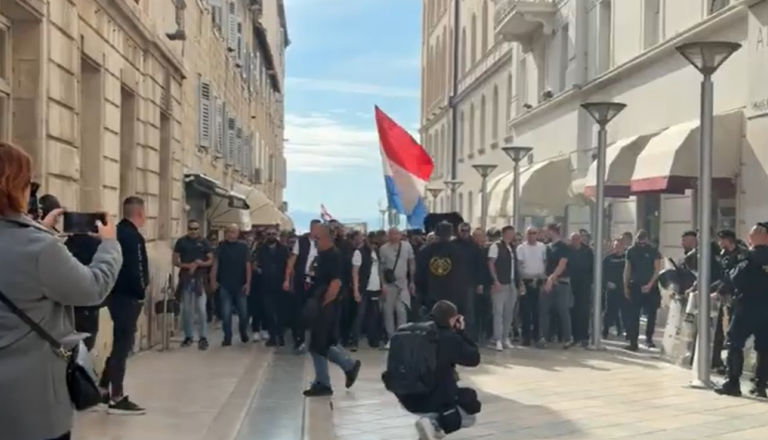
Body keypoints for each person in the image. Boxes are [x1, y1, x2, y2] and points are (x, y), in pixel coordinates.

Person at [0, 141, 123, 440]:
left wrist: (38, 228)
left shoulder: (36, 243)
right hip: (30, 406)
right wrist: (109, 244)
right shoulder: (39, 248)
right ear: (16, 187)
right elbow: (92, 288)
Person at [386, 300, 481, 440]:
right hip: (431, 396)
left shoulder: (409, 331)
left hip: (405, 396)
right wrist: (461, 332)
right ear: (452, 319)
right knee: (469, 410)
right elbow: (474, 358)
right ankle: (433, 423)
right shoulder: (448, 337)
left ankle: (431, 430)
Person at [99, 196, 149, 415]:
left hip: (114, 295)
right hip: (128, 297)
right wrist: (141, 292)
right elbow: (138, 268)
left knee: (119, 342)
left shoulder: (116, 233)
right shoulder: (134, 237)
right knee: (123, 346)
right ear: (139, 214)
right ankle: (116, 396)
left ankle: (103, 388)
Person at [303, 225, 361, 397]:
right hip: (322, 303)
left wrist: (324, 304)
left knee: (317, 344)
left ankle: (324, 382)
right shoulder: (323, 255)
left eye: (317, 239)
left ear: (326, 239)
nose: (315, 242)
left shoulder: (334, 256)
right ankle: (348, 366)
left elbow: (336, 283)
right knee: (324, 343)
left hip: (327, 306)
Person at [715, 222, 768, 398]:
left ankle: (732, 383)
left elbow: (735, 278)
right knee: (764, 347)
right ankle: (760, 385)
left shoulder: (748, 257)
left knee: (734, 342)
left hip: (747, 306)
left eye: (751, 234)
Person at [173, 219, 214, 349]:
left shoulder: (204, 242)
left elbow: (211, 260)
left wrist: (200, 263)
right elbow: (175, 260)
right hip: (186, 278)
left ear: (199, 230)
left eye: (196, 228)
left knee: (201, 309)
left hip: (200, 279)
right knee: (187, 309)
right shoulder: (181, 242)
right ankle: (188, 336)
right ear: (188, 229)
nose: (193, 231)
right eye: (191, 228)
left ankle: (203, 337)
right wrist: (188, 265)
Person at [210, 224, 252, 346]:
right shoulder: (221, 246)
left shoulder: (243, 247)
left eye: (233, 231)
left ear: (238, 233)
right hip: (225, 285)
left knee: (243, 313)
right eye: (228, 231)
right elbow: (216, 263)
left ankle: (243, 332)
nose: (230, 234)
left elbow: (248, 266)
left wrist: (248, 283)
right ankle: (227, 337)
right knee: (226, 313)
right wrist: (213, 280)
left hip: (240, 285)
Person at [283, 219, 321, 351]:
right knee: (298, 309)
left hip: (316, 280)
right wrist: (287, 279)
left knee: (314, 310)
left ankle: (315, 339)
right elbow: (291, 261)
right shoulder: (301, 242)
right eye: (315, 228)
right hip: (301, 279)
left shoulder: (322, 243)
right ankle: (299, 338)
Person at [622, 229, 662, 351]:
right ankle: (633, 342)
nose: (641, 242)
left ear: (647, 239)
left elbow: (657, 269)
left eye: (643, 239)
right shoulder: (631, 251)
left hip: (651, 286)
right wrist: (625, 286)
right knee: (633, 314)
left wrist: (650, 284)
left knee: (651, 314)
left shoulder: (653, 251)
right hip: (635, 285)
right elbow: (627, 269)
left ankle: (649, 339)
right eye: (639, 239)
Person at [487, 225, 523, 351]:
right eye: (510, 233)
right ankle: (497, 339)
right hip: (501, 282)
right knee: (498, 311)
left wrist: (519, 282)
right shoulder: (496, 246)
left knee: (509, 312)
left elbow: (516, 266)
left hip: (511, 282)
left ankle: (505, 337)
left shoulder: (512, 247)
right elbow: (491, 263)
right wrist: (495, 280)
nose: (512, 235)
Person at [379, 227, 416, 348]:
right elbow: (381, 268)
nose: (394, 236)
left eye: (396, 234)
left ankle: (401, 337)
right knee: (388, 311)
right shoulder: (383, 249)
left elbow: (411, 263)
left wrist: (412, 281)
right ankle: (391, 337)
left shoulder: (407, 246)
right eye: (391, 234)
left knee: (401, 310)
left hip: (403, 283)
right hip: (389, 284)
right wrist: (383, 284)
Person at [538, 223, 573, 349]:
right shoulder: (547, 247)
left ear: (552, 231)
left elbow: (562, 264)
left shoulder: (564, 246)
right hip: (547, 281)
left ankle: (567, 338)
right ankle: (543, 337)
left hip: (561, 281)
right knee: (544, 309)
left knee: (563, 310)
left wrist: (552, 278)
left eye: (546, 231)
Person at [253, 228, 290, 346]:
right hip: (265, 284)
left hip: (280, 284)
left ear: (277, 235)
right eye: (269, 234)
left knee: (281, 312)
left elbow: (289, 265)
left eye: (273, 234)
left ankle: (281, 336)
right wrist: (260, 271)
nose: (271, 236)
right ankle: (273, 337)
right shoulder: (261, 249)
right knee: (269, 312)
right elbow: (254, 263)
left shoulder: (283, 249)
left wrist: (287, 280)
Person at [350, 231, 383, 350]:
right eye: (372, 242)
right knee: (359, 315)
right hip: (364, 287)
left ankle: (373, 340)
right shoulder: (359, 252)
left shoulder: (376, 253)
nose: (373, 245)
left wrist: (382, 284)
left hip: (375, 287)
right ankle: (354, 341)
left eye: (375, 243)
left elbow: (379, 270)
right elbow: (355, 272)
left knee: (374, 315)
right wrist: (356, 289)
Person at [516, 227, 547, 346]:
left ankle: (537, 335)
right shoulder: (521, 248)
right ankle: (526, 337)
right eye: (529, 233)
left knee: (537, 310)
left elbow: (545, 262)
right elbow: (519, 265)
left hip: (539, 280)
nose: (532, 235)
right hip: (526, 280)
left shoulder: (542, 247)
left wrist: (541, 278)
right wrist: (521, 281)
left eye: (534, 233)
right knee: (525, 310)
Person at [568, 232, 594, 347]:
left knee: (583, 311)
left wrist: (591, 282)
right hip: (571, 284)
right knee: (572, 310)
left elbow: (592, 268)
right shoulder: (568, 250)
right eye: (573, 239)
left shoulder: (588, 251)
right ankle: (574, 336)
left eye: (577, 239)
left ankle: (584, 336)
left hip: (584, 285)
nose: (575, 241)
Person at [602, 238, 627, 339]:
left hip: (623, 288)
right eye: (616, 245)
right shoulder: (608, 259)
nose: (617, 247)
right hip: (611, 288)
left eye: (620, 245)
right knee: (609, 311)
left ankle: (623, 330)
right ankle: (605, 331)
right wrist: (607, 283)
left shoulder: (626, 258)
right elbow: (603, 273)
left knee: (624, 310)